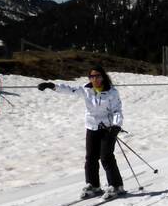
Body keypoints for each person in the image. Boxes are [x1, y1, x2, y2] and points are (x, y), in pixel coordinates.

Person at [37, 64, 125, 199]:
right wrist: (52, 86)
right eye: (92, 76)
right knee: (91, 158)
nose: (95, 79)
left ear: (103, 77)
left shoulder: (112, 92)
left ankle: (116, 186)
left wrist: (116, 126)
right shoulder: (86, 89)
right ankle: (93, 185)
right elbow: (70, 90)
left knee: (106, 157)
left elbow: (117, 110)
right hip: (92, 127)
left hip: (108, 129)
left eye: (97, 76)